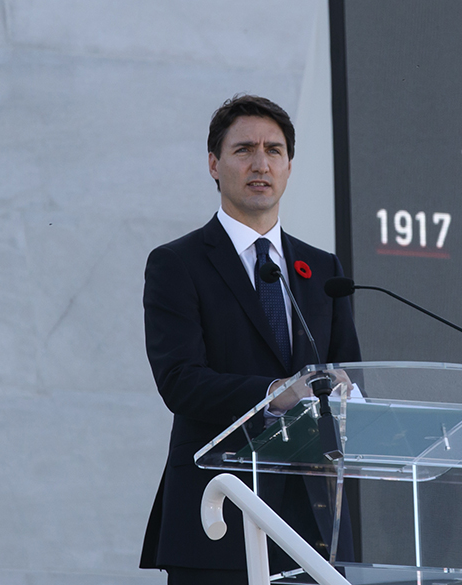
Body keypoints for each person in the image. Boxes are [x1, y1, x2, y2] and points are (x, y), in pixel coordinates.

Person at [139, 95, 361, 584]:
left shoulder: (322, 269)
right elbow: (180, 381)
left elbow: (351, 372)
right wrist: (271, 394)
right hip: (216, 515)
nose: (261, 163)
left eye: (274, 150)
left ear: (288, 166)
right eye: (244, 150)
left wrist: (350, 394)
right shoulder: (178, 263)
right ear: (215, 165)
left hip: (313, 529)